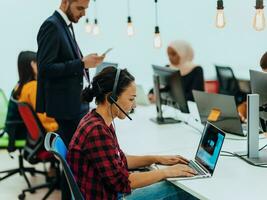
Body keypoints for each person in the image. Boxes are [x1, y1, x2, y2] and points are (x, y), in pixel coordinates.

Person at [67, 67, 197, 200]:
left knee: (165, 180)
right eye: (131, 99)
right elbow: (123, 183)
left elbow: (122, 160)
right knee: (183, 191)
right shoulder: (97, 131)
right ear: (111, 98)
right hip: (110, 196)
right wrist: (166, 172)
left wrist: (157, 159)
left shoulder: (98, 120)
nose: (134, 105)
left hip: (106, 192)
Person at [36, 0, 104, 146]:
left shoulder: (64, 25)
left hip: (74, 104)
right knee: (74, 156)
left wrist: (84, 62)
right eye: (80, 8)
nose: (83, 13)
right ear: (65, 2)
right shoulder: (52, 26)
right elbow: (45, 69)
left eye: (85, 9)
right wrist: (81, 63)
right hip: (66, 108)